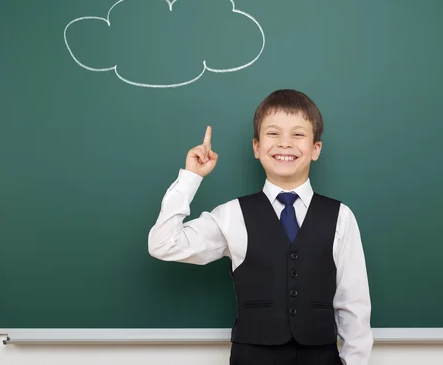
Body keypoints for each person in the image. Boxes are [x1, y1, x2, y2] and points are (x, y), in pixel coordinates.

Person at [148, 89, 373, 365]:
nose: (285, 144)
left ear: (316, 149)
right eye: (273, 134)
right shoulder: (231, 215)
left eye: (298, 135)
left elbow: (354, 306)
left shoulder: (341, 217)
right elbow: (163, 244)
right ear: (256, 147)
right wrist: (190, 178)